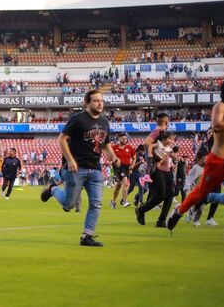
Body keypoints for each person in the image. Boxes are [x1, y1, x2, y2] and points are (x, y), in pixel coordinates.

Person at [167, 80, 224, 242]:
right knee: (201, 192)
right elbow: (216, 126)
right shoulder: (220, 107)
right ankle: (179, 211)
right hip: (217, 162)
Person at [40, 89, 120, 247]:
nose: (99, 103)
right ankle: (52, 188)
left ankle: (87, 236)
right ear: (87, 103)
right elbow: (61, 140)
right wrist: (70, 160)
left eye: (101, 100)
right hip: (76, 169)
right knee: (68, 204)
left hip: (96, 170)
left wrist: (114, 157)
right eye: (96, 100)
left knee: (96, 204)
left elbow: (106, 145)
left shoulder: (105, 122)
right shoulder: (77, 119)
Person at [135, 131, 178, 227]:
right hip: (158, 170)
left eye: (172, 139)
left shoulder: (168, 148)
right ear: (163, 139)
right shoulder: (158, 144)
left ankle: (161, 221)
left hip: (167, 171)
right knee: (161, 195)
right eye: (169, 139)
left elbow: (171, 155)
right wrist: (150, 154)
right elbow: (149, 146)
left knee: (170, 195)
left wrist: (175, 158)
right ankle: (141, 210)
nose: (171, 141)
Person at [110, 133, 135, 208]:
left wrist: (131, 167)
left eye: (125, 138)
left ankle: (113, 201)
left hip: (126, 167)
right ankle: (124, 201)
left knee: (118, 186)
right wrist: (113, 164)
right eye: (122, 138)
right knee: (126, 184)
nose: (124, 140)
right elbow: (110, 157)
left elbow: (134, 157)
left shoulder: (129, 148)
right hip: (118, 167)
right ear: (119, 139)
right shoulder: (114, 148)